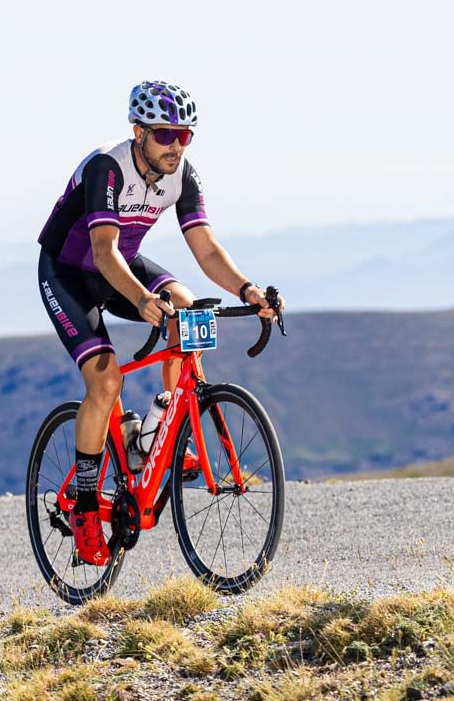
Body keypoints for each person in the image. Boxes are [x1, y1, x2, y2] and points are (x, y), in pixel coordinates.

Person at [37, 80, 283, 565]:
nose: (176, 145)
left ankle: (167, 422)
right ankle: (86, 505)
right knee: (104, 380)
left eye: (185, 135)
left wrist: (249, 291)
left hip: (123, 269)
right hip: (69, 272)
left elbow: (207, 249)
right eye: (166, 134)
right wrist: (143, 299)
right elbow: (104, 251)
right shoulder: (108, 166)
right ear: (139, 131)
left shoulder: (182, 174)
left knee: (188, 310)